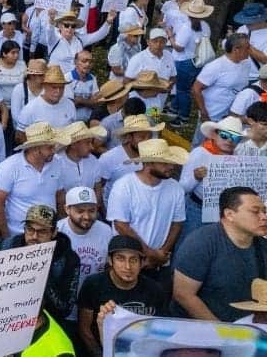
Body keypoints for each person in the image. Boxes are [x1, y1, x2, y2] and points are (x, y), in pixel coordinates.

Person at [173, 186, 267, 322]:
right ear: (229, 214)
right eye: (255, 212)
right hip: (202, 330)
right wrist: (221, 331)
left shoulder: (262, 246)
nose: (263, 217)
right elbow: (183, 294)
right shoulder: (202, 242)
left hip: (248, 327)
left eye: (264, 211)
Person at [107, 138, 187, 296]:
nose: (171, 167)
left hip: (159, 262)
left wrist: (162, 252)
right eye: (164, 163)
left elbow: (177, 223)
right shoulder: (124, 186)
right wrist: (151, 254)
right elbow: (121, 226)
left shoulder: (176, 188)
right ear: (149, 163)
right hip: (128, 261)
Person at [77, 235, 166, 357]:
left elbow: (161, 331)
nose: (128, 266)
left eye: (133, 260)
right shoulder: (94, 285)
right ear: (110, 260)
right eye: (120, 259)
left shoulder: (155, 289)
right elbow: (85, 330)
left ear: (142, 262)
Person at [4, 204, 81, 322]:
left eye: (42, 231)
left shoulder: (68, 259)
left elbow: (65, 309)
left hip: (48, 322)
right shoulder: (8, 247)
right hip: (10, 318)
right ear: (24, 229)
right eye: (30, 229)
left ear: (54, 232)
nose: (34, 236)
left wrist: (42, 274)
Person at [0, 122, 70, 238]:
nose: (54, 150)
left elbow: (60, 198)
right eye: (50, 147)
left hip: (49, 234)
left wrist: (61, 230)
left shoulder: (58, 163)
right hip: (18, 234)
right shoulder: (9, 167)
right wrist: (7, 237)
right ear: (35, 148)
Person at [180, 116, 244, 241]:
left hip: (222, 213)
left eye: (235, 138)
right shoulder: (200, 153)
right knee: (187, 246)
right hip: (197, 209)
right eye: (225, 135)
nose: (230, 140)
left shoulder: (238, 158)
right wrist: (195, 177)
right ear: (215, 134)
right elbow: (182, 188)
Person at [16, 66, 77, 138]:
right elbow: (19, 135)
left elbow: (73, 130)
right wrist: (36, 148)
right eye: (54, 87)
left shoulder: (70, 105)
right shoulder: (30, 108)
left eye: (61, 87)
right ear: (44, 86)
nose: (58, 91)